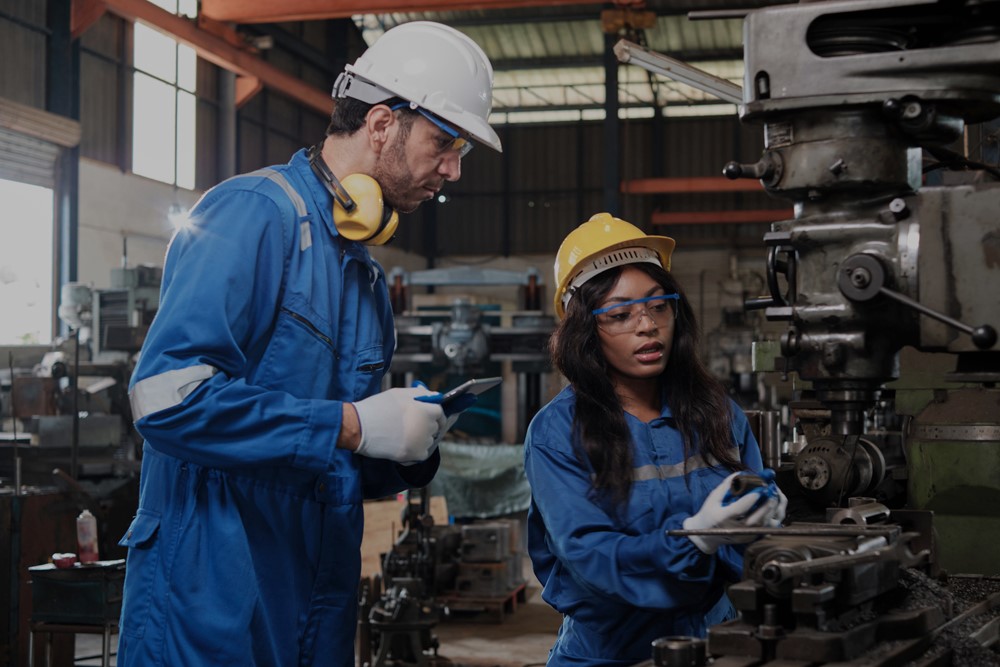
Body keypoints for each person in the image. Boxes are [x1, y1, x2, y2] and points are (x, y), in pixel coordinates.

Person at [116, 22, 501, 667]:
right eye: (444, 142)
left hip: (313, 597)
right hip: (210, 592)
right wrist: (352, 424)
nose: (453, 170)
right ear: (382, 124)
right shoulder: (250, 215)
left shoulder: (365, 276)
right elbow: (165, 401)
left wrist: (404, 447)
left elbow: (329, 451)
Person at [524, 213, 786, 666]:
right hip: (609, 652)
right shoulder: (556, 433)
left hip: (715, 639)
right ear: (585, 331)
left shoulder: (717, 412)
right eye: (621, 314)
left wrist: (762, 519)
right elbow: (590, 556)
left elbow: (747, 530)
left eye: (658, 305)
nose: (646, 325)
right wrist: (695, 541)